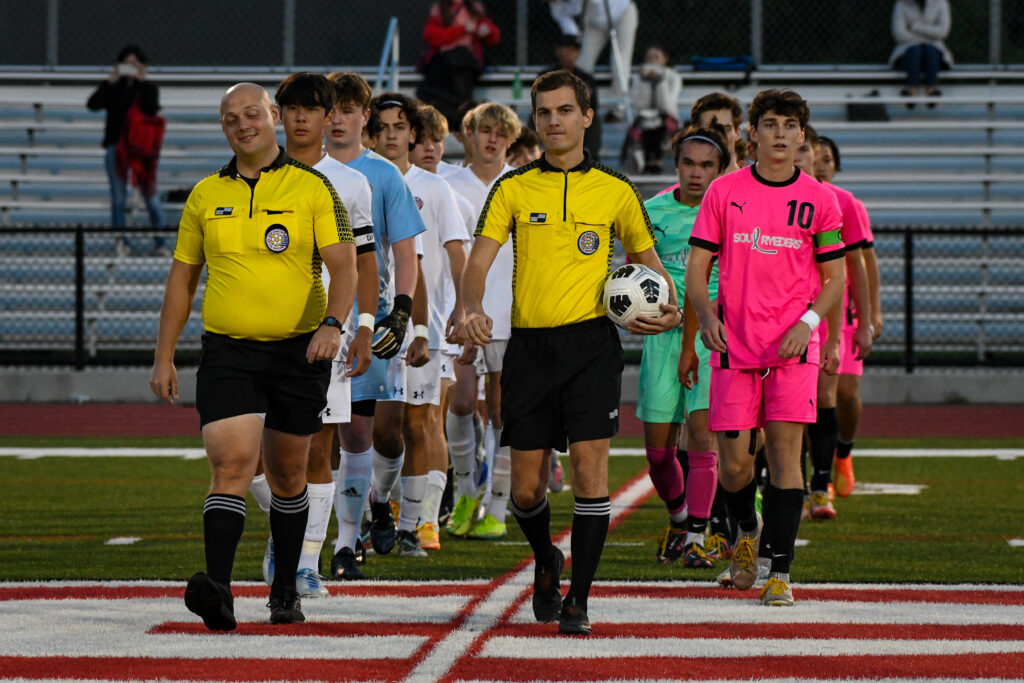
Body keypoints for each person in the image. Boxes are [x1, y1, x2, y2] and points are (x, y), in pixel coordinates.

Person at [458, 70, 680, 635]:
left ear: (586, 117)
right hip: (529, 349)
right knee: (527, 489)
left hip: (591, 347)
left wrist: (669, 307)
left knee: (589, 473)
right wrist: (469, 307)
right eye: (543, 112)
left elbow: (648, 265)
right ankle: (547, 560)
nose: (552, 121)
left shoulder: (615, 188)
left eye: (563, 111)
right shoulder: (510, 188)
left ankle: (578, 601)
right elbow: (478, 260)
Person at [149, 83, 356, 629]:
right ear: (223, 128)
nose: (242, 125)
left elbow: (344, 264)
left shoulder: (313, 188)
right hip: (228, 351)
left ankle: (284, 592)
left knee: (289, 476)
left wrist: (333, 325)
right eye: (229, 118)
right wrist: (164, 355)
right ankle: (218, 591)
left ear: (273, 117)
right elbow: (183, 278)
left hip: (297, 351)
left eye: (251, 114)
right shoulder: (202, 195)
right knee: (232, 465)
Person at [685, 89, 846, 607]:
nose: (780, 134)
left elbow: (834, 279)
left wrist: (807, 322)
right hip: (734, 347)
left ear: (803, 135)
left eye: (790, 125)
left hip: (794, 350)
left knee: (783, 458)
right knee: (734, 467)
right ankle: (746, 532)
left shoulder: (822, 198)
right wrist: (707, 317)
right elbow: (696, 268)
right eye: (770, 124)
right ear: (752, 132)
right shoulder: (724, 192)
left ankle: (780, 571)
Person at [247, 72, 377, 598]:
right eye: (291, 108)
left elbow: (366, 265)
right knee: (254, 452)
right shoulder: (252, 173)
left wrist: (362, 328)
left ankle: (302, 560)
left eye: (312, 108)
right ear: (278, 115)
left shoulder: (350, 183)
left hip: (327, 333)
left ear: (330, 118)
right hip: (257, 334)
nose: (301, 117)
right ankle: (288, 524)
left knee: (318, 450)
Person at [323, 72, 426, 578]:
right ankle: (329, 536)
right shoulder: (296, 170)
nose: (337, 118)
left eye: (348, 109)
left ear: (365, 116)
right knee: (313, 439)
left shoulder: (383, 175)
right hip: (303, 322)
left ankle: (348, 540)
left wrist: (402, 311)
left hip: (364, 321)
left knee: (363, 433)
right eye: (331, 108)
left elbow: (405, 252)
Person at [372, 93, 470, 556]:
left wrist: (461, 307)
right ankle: (379, 504)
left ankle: (417, 522)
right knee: (379, 429)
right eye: (383, 127)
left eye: (400, 126)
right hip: (368, 321)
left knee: (423, 423)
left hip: (424, 322)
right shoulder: (359, 180)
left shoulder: (434, 188)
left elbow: (454, 250)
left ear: (413, 133)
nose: (391, 134)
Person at [640, 124, 729, 568]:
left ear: (720, 169)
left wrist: (694, 341)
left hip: (712, 335)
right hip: (661, 337)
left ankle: (698, 534)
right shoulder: (651, 211)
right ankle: (679, 519)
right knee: (658, 453)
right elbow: (636, 274)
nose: (697, 174)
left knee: (701, 437)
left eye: (707, 165)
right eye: (689, 164)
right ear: (676, 165)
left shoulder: (729, 212)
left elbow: (707, 285)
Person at [445, 102, 521, 541]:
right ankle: (467, 488)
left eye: (500, 132)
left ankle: (497, 505)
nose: (491, 139)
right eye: (484, 130)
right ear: (468, 134)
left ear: (509, 139)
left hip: (510, 312)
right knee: (459, 403)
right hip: (460, 312)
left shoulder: (520, 183)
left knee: (502, 410)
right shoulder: (447, 182)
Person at [794, 125, 872, 521]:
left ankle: (822, 484)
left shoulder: (835, 202)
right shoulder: (756, 194)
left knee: (829, 397)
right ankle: (787, 486)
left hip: (823, 315)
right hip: (775, 316)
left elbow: (852, 266)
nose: (803, 156)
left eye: (808, 149)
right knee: (784, 412)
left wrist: (868, 318)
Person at [814, 136, 883, 499]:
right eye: (815, 155)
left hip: (845, 311)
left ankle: (843, 452)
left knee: (844, 391)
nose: (820, 163)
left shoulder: (846, 203)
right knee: (811, 396)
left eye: (827, 158)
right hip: (806, 310)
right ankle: (815, 479)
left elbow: (863, 263)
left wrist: (872, 316)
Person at [86, 44, 165, 237]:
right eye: (126, 64)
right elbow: (93, 104)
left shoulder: (148, 88)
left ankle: (161, 241)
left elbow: (151, 109)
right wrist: (109, 82)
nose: (130, 68)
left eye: (134, 64)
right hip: (116, 146)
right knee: (118, 198)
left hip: (140, 149)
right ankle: (121, 240)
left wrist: (141, 81)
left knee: (151, 197)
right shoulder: (114, 88)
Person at [418, 0, 501, 129]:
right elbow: (431, 36)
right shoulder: (439, 9)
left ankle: (459, 117)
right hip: (444, 63)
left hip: (466, 65)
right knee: (452, 65)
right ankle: (460, 115)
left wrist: (486, 30)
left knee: (460, 61)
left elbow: (494, 37)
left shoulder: (474, 9)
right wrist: (462, 30)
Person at [537, 33, 602, 160]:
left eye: (574, 50)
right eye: (567, 49)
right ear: (557, 51)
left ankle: (589, 157)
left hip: (575, 118)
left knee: (592, 118)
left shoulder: (586, 78)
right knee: (537, 116)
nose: (570, 53)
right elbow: (540, 101)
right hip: (553, 115)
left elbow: (594, 105)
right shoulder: (545, 75)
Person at [577, 0, 638, 122]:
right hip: (595, 22)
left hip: (622, 14)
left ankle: (618, 110)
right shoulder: (558, 7)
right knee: (582, 64)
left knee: (619, 62)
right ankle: (579, 104)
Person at [625, 45, 681, 174]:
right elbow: (640, 106)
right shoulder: (638, 77)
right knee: (646, 123)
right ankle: (647, 162)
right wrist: (645, 80)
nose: (652, 61)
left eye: (656, 57)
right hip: (645, 119)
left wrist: (659, 81)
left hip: (668, 119)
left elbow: (667, 106)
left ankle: (655, 161)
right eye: (649, 57)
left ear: (664, 59)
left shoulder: (673, 76)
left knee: (659, 124)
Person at [889, 0, 953, 105]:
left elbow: (942, 31)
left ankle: (932, 90)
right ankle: (912, 90)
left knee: (930, 50)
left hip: (934, 52)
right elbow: (899, 34)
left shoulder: (941, 3)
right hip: (907, 52)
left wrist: (916, 27)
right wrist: (927, 37)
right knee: (915, 50)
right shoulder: (901, 4)